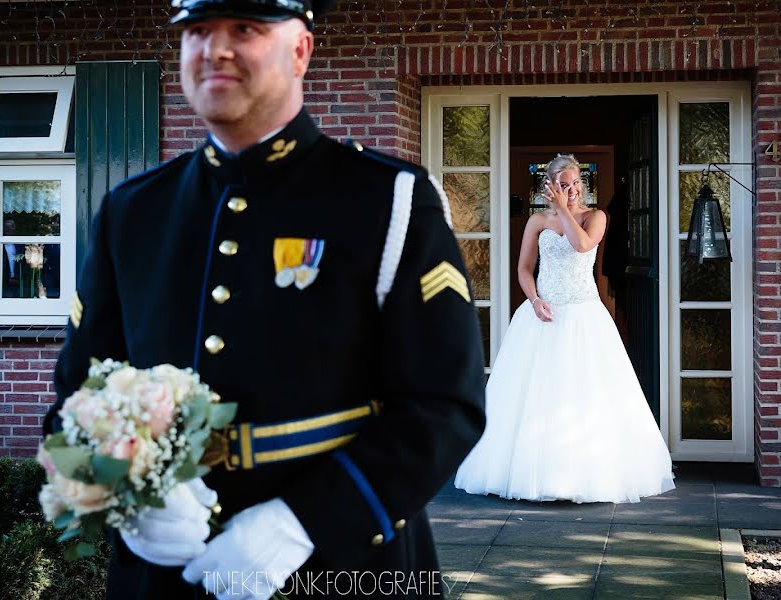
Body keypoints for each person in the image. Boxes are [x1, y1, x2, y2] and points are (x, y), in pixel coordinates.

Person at [42, 0, 487, 598]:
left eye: (245, 29)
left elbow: (445, 404)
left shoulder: (386, 201)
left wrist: (304, 521)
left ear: (300, 50)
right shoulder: (134, 210)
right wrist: (121, 494)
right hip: (167, 573)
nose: (214, 49)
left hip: (341, 567)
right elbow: (77, 391)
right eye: (198, 31)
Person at [455, 154, 674, 504]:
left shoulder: (596, 217)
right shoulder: (537, 221)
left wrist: (565, 211)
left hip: (585, 316)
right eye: (561, 185)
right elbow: (524, 269)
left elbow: (582, 245)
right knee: (534, 394)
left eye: (573, 184)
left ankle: (584, 476)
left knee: (585, 392)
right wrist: (533, 299)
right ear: (549, 187)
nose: (569, 190)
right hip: (542, 315)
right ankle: (532, 474)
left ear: (581, 185)